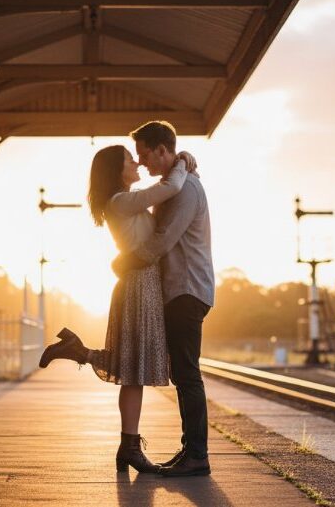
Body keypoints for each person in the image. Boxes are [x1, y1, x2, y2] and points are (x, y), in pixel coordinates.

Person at [39, 141, 197, 474]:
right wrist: (182, 159)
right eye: (130, 160)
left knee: (133, 367)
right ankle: (129, 446)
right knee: (133, 370)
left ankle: (79, 353)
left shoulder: (125, 202)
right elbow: (171, 186)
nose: (137, 163)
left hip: (143, 282)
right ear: (116, 171)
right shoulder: (121, 201)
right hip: (139, 284)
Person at [112, 120, 214, 478]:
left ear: (162, 150)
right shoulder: (174, 185)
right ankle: (190, 450)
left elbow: (163, 240)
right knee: (182, 374)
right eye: (136, 156)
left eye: (145, 155)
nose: (143, 163)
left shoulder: (186, 191)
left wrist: (126, 261)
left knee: (187, 375)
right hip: (178, 290)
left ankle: (198, 455)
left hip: (187, 289)